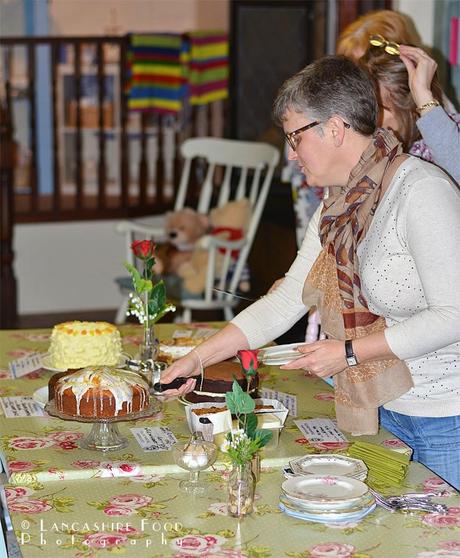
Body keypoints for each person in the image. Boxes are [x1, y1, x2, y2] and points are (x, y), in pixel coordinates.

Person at [159, 56, 460, 490]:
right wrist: (198, 359)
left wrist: (351, 351)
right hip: (386, 408)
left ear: (334, 129)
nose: (290, 153)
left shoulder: (421, 191)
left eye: (295, 137)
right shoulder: (339, 205)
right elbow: (286, 300)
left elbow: (453, 316)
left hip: (446, 418)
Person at [362, 42, 460, 184]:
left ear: (412, 109)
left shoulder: (452, 134)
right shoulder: (367, 147)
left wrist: (422, 94)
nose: (368, 118)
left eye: (379, 108)